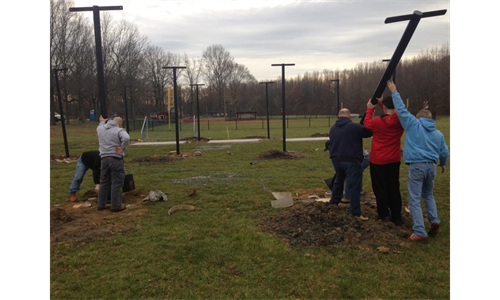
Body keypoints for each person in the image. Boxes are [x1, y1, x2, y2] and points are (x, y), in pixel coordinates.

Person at [388, 81, 449, 241]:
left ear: (417, 117)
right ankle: (434, 220)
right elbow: (444, 152)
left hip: (417, 167)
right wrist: (443, 163)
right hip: (432, 167)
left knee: (414, 198)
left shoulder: (413, 125)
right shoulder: (438, 134)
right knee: (428, 195)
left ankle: (419, 231)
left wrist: (394, 91)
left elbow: (400, 110)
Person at [364, 96, 405, 225]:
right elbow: (395, 113)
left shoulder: (377, 122)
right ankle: (397, 216)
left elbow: (366, 123)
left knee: (380, 188)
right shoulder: (401, 121)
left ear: (385, 107)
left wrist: (370, 109)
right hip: (393, 160)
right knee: (393, 187)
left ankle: (384, 215)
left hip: (378, 161)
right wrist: (382, 103)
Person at [329, 109, 373, 221]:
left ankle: (333, 205)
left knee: (338, 181)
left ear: (339, 116)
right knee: (354, 187)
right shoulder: (354, 127)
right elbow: (368, 132)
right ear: (349, 116)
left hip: (336, 160)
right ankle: (355, 213)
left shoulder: (333, 128)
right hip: (352, 160)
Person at [97, 116, 131, 213]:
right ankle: (116, 205)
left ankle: (101, 204)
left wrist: (102, 122)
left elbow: (100, 125)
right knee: (116, 183)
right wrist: (122, 148)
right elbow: (126, 138)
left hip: (103, 159)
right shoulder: (119, 130)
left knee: (104, 182)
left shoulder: (101, 129)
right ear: (120, 123)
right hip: (115, 159)